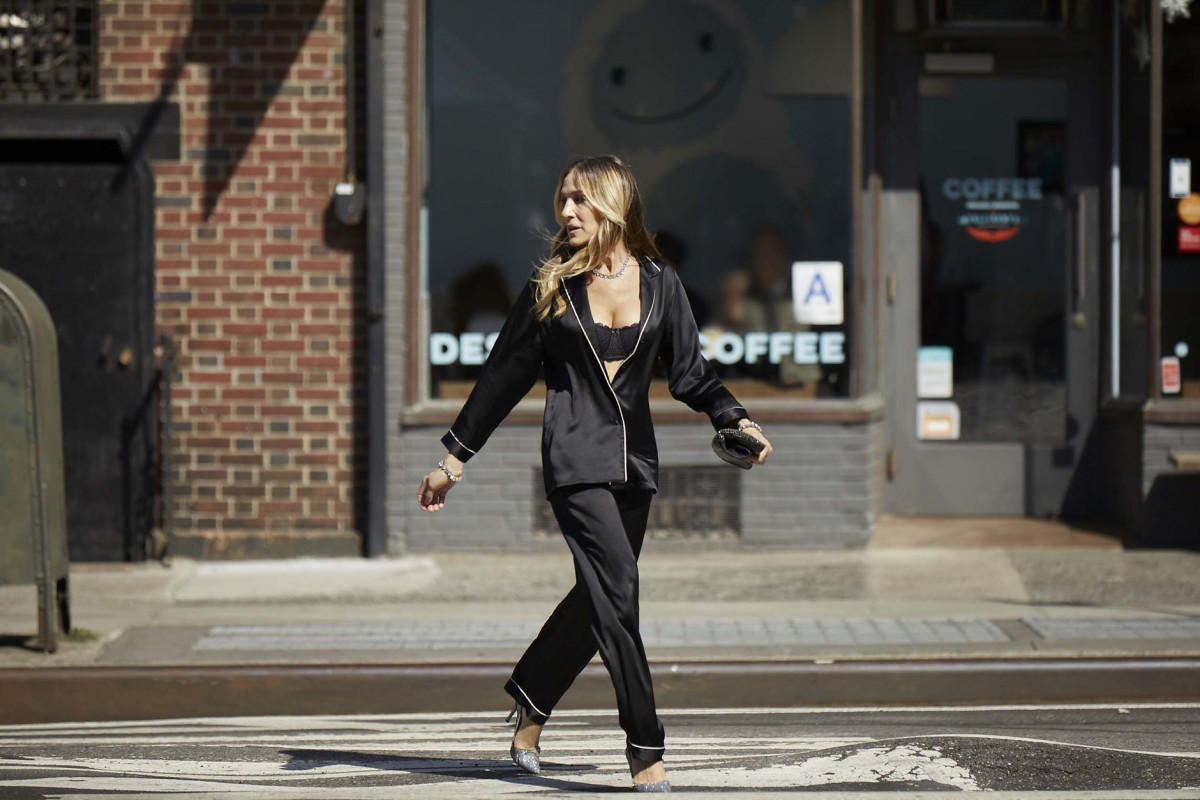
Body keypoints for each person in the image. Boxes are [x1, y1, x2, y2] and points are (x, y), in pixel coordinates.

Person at [417, 154, 772, 792]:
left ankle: (530, 701)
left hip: (636, 467)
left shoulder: (661, 282)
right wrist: (453, 460)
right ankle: (646, 751)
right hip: (575, 461)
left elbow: (691, 374)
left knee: (599, 599)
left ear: (613, 203)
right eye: (563, 200)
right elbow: (501, 378)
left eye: (579, 199)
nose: (567, 212)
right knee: (620, 595)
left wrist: (735, 418)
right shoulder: (551, 285)